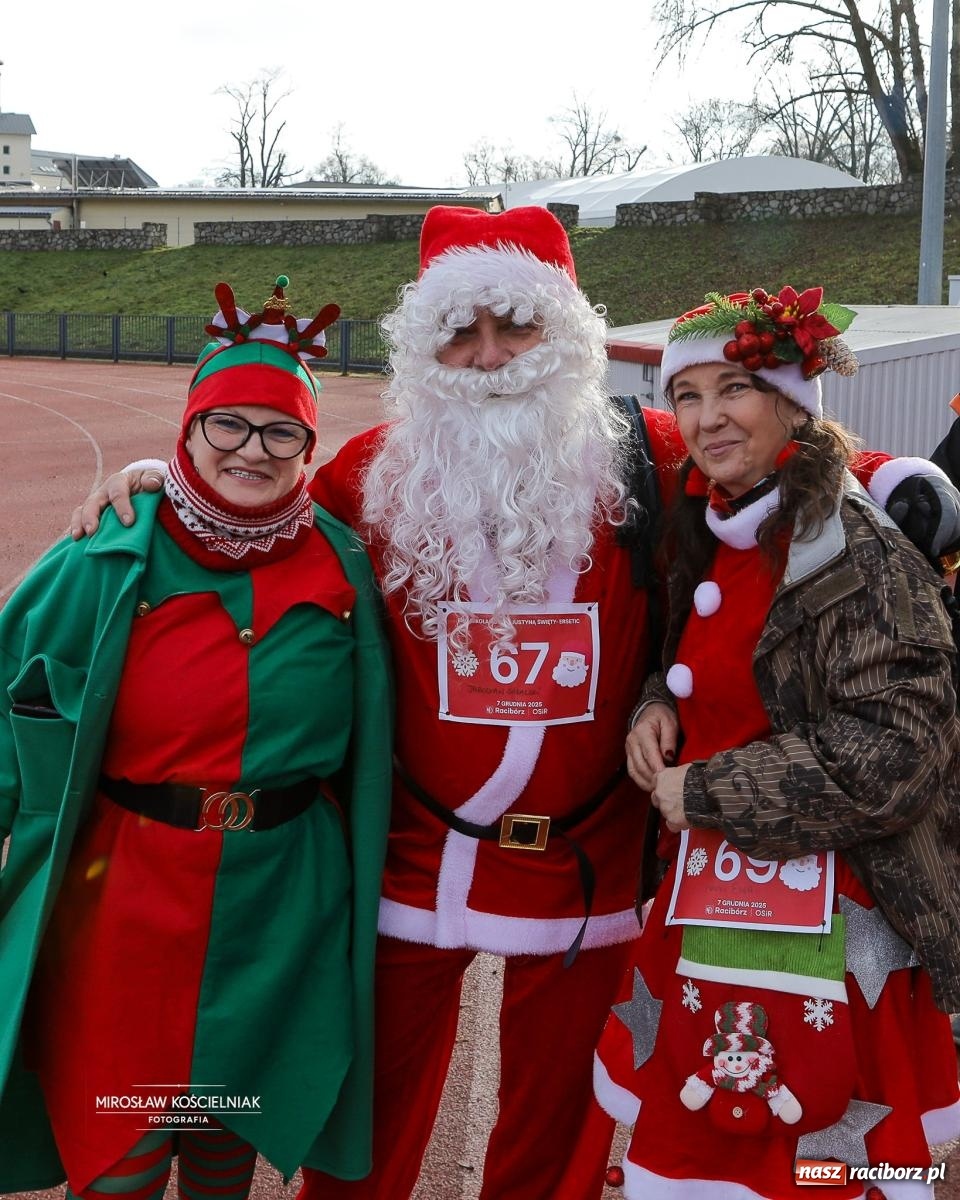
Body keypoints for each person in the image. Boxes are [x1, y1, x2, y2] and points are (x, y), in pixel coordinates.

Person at [69, 212, 960, 1200]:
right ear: (426, 348)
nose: (487, 356)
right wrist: (159, 484)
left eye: (514, 327)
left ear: (567, 336)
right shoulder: (369, 475)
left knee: (553, 1132)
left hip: (585, 865)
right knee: (365, 1125)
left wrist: (899, 479)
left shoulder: (649, 456)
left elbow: (767, 452)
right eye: (461, 332)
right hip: (414, 854)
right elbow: (251, 501)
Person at [0, 278, 393, 1199]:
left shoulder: (346, 568)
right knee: (123, 1153)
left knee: (223, 1145)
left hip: (281, 902)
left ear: (308, 446)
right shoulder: (106, 549)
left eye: (280, 430)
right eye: (228, 424)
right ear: (188, 430)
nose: (251, 450)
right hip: (125, 896)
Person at [594, 286, 960, 1200]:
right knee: (707, 1152)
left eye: (735, 389)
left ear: (795, 400)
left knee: (832, 1162)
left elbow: (896, 755)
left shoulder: (859, 551)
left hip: (841, 927)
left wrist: (707, 791)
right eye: (688, 395)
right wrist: (655, 703)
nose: (707, 417)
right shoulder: (716, 521)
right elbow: (712, 660)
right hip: (713, 900)